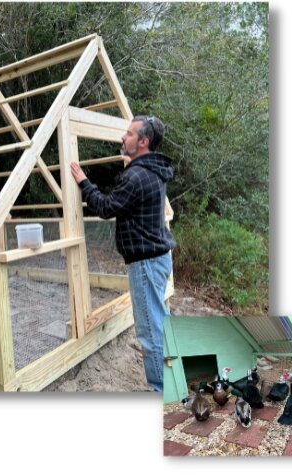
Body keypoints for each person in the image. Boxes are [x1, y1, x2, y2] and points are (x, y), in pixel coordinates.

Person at [70, 115, 175, 392]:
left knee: (150, 332)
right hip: (159, 258)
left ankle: (162, 391)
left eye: (128, 134)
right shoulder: (151, 169)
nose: (122, 138)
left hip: (145, 264)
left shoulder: (137, 176)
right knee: (161, 322)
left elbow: (105, 207)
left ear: (143, 141)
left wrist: (83, 182)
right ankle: (174, 381)